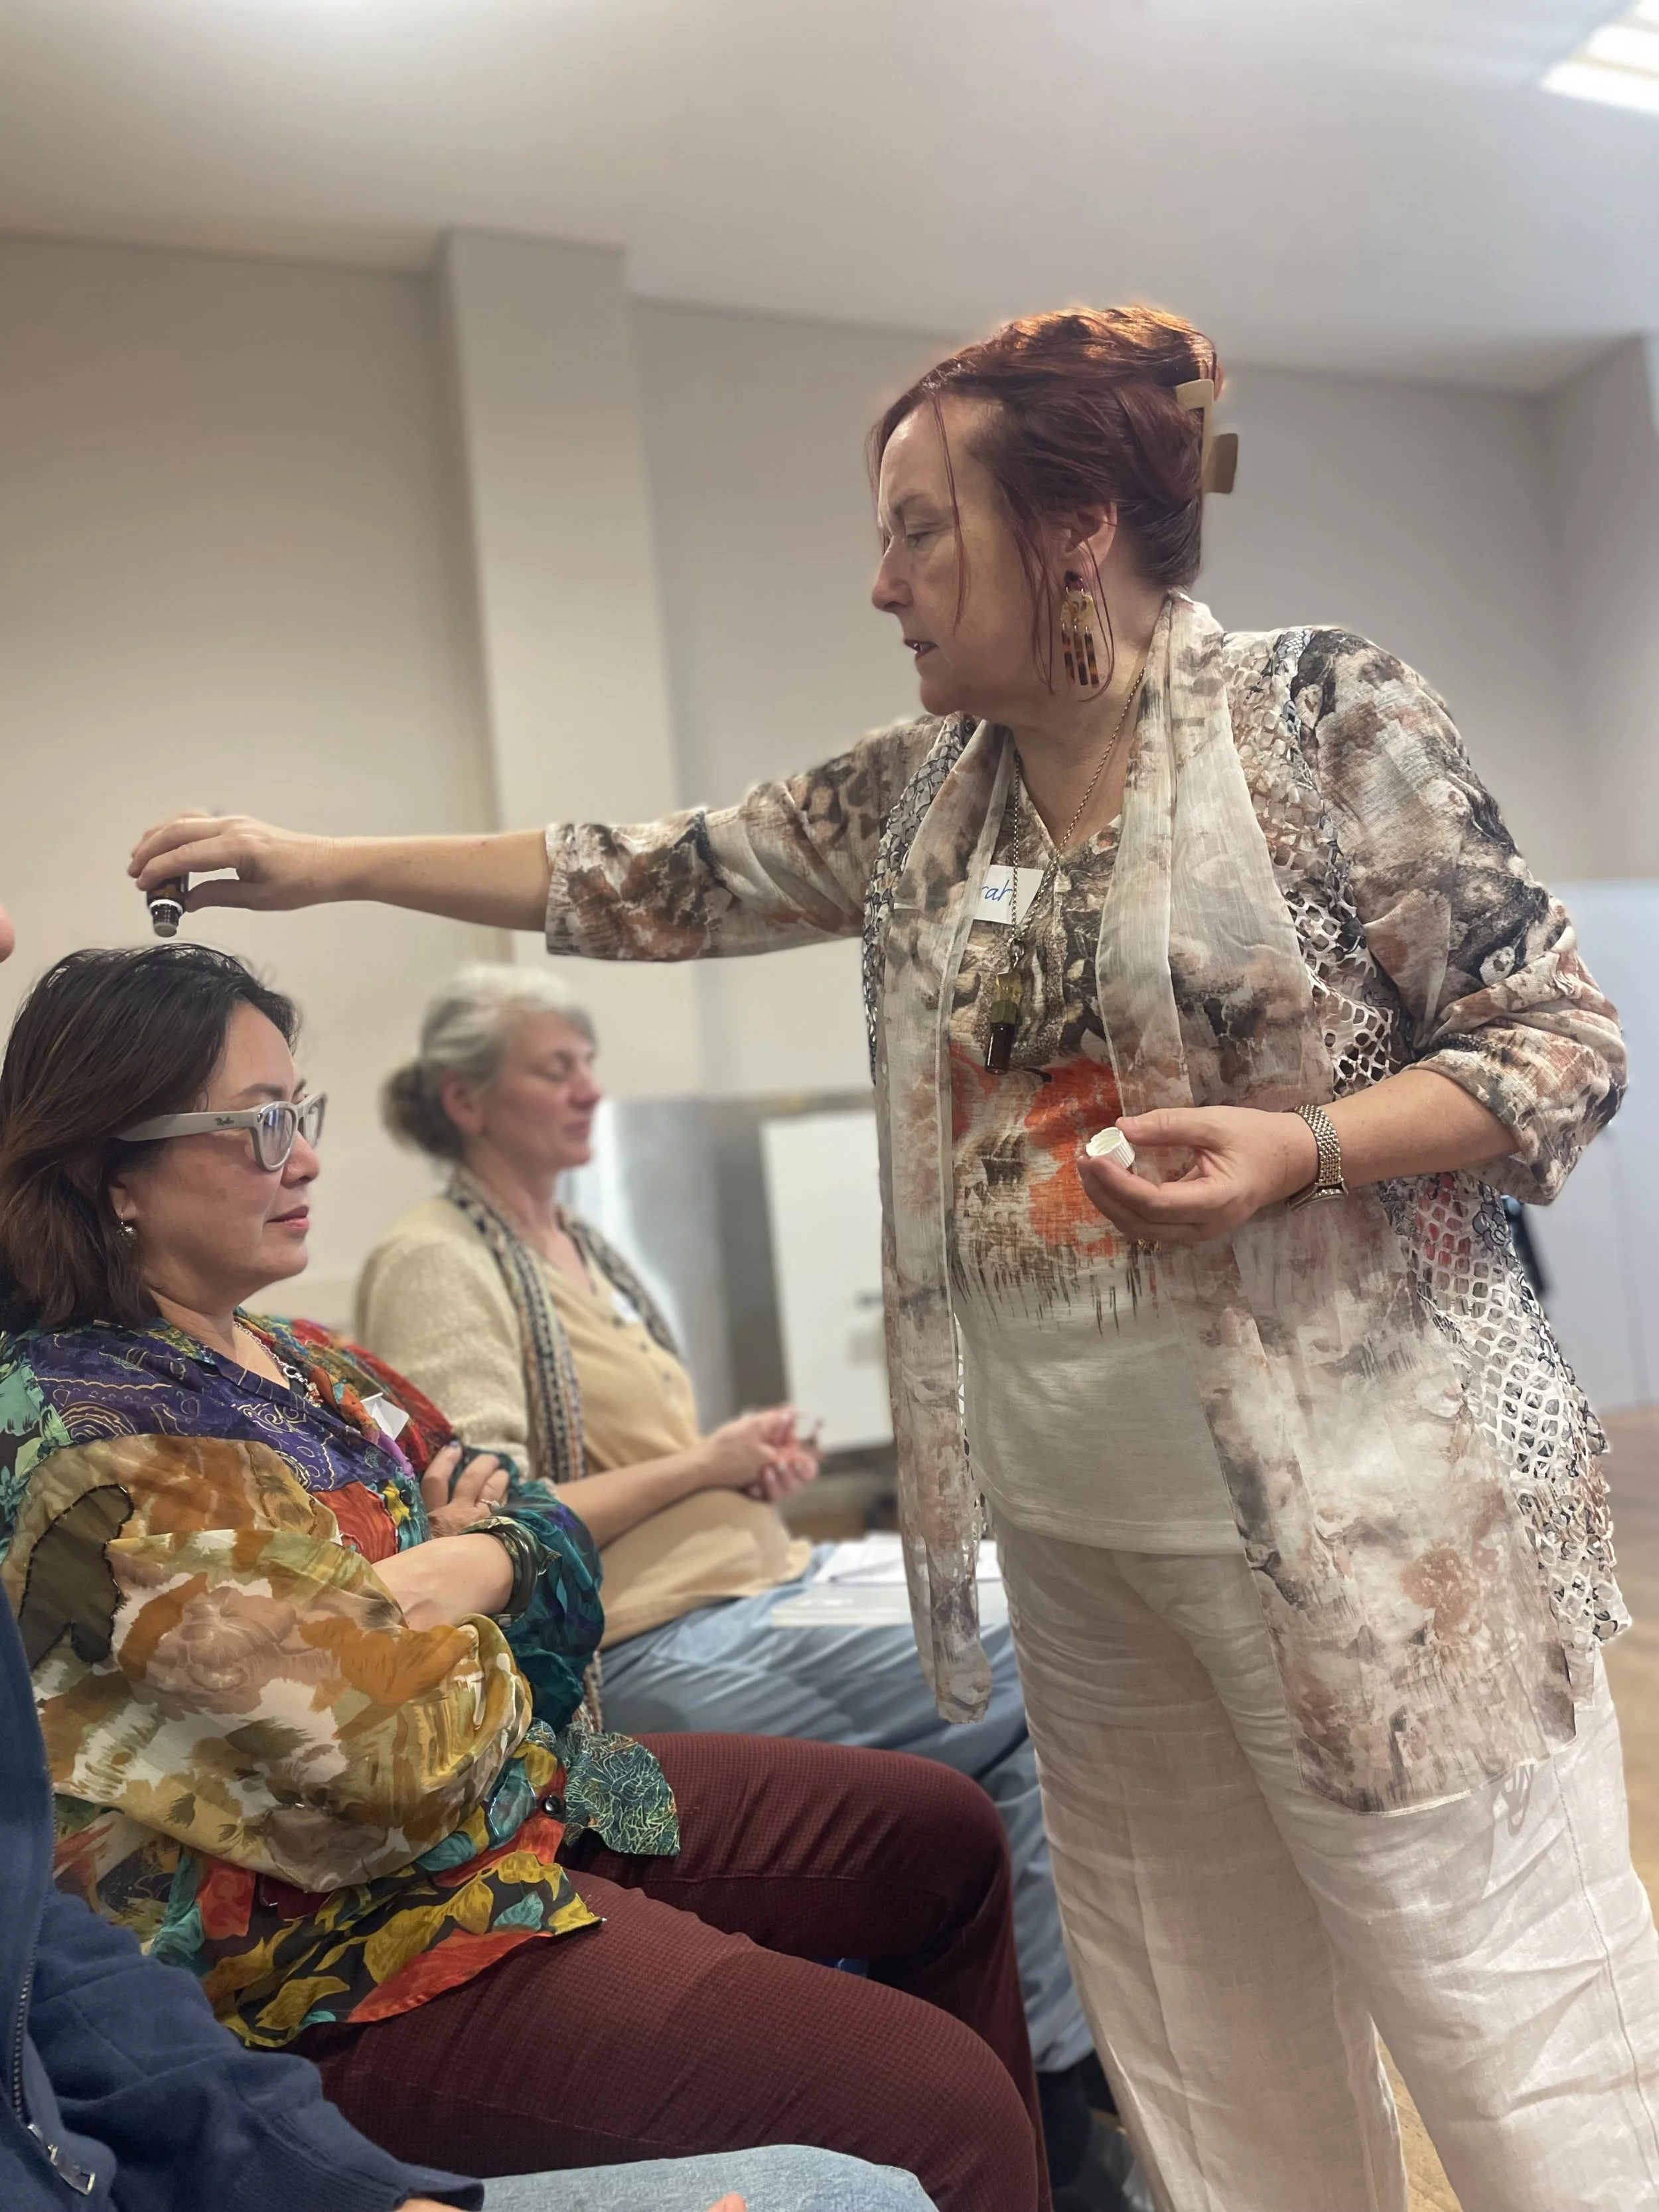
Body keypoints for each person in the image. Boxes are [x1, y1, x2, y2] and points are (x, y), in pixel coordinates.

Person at [125, 303, 1654, 2212]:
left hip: (1360, 1539)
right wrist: (327, 861)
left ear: (1074, 531)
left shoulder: (1315, 715)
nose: (880, 584)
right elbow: (643, 872)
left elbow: (1553, 1039)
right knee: (1204, 2046)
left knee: (1496, 2008)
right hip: (1078, 1543)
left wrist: (1304, 1146)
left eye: (920, 531)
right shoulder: (923, 795)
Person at [0, 942, 1046, 2212]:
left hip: (534, 1797)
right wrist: (465, 1578)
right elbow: (396, 1760)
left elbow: (542, 1534)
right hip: (348, 1944)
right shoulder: (94, 1438)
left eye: (300, 1112)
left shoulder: (307, 1357)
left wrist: (462, 1570)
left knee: (942, 1834)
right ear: (112, 1168)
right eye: (260, 1125)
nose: (306, 1157)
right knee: (938, 2103)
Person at [353, 963, 1103, 2181]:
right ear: (466, 1099)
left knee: (1036, 1649)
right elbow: (495, 1515)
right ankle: (1053, 2098)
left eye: (589, 1063)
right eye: (555, 1068)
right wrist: (704, 1465)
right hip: (659, 1640)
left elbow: (635, 1466)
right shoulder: (438, 1258)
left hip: (759, 1586)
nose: (590, 1088)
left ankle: (1046, 2076)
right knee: (1041, 1647)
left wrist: (732, 1469)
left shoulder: (583, 1248)